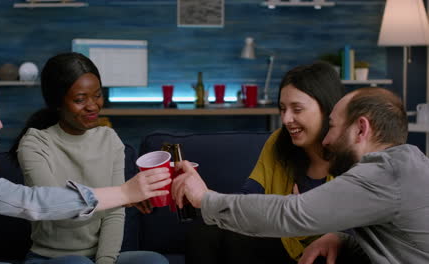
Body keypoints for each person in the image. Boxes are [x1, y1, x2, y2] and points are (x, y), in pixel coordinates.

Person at [173, 87, 429, 264]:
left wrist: (205, 199)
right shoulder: (406, 165)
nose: (326, 140)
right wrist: (343, 240)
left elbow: (292, 214)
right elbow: (400, 246)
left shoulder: (386, 172)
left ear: (361, 129)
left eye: (332, 127)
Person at [0, 68, 170, 264]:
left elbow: (113, 214)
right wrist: (123, 194)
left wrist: (120, 200)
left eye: (97, 95)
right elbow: (35, 203)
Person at [184, 61, 360, 264]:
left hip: (328, 250)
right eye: (283, 109)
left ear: (327, 108)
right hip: (283, 242)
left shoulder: (354, 153)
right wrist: (207, 199)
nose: (286, 119)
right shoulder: (278, 142)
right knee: (206, 231)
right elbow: (248, 197)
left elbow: (363, 230)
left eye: (297, 109)